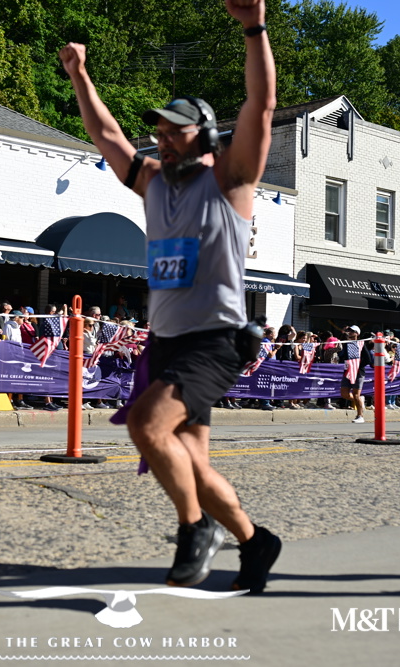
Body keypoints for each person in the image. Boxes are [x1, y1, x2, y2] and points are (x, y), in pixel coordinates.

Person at [59, 0, 281, 593]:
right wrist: (80, 75)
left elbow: (261, 105)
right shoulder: (153, 182)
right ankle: (254, 540)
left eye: (172, 131)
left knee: (147, 426)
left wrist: (254, 28)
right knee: (191, 462)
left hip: (214, 340)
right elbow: (106, 134)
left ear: (204, 134)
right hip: (165, 341)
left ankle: (195, 529)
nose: (161, 139)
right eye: (157, 132)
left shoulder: (230, 179)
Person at [339, 326, 372, 423]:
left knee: (356, 394)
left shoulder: (361, 344)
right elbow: (342, 351)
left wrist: (357, 366)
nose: (349, 332)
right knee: (344, 393)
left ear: (357, 333)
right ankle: (360, 402)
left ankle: (360, 415)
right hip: (347, 371)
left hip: (358, 372)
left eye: (352, 331)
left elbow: (368, 359)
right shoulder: (346, 343)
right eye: (348, 330)